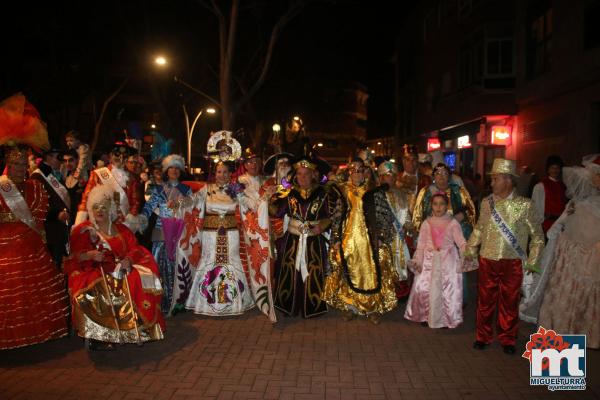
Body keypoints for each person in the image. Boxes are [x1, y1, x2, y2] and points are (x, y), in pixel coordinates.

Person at [0, 93, 69, 349]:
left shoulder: (34, 187)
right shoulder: (2, 186)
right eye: (14, 165)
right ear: (8, 164)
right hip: (5, 244)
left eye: (21, 165)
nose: (19, 169)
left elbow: (40, 212)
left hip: (30, 242)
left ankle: (39, 334)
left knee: (35, 291)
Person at [64, 185, 165, 350]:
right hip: (93, 271)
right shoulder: (83, 230)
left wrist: (128, 260)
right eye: (96, 207)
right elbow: (73, 257)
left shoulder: (122, 229)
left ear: (111, 208)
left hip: (120, 269)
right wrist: (90, 255)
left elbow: (136, 249)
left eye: (104, 207)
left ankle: (137, 330)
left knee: (139, 278)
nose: (100, 211)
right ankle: (100, 336)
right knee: (101, 287)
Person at [466, 158, 544, 355]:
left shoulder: (525, 205)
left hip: (513, 263)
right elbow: (479, 228)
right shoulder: (486, 202)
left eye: (495, 179)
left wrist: (533, 262)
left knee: (509, 303)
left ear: (508, 180)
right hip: (487, 258)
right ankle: (482, 336)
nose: (491, 184)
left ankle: (508, 338)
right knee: (485, 302)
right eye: (492, 180)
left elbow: (537, 237)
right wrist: (469, 249)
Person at [532, 155, 600, 348]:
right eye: (594, 175)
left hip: (591, 262)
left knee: (584, 302)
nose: (595, 179)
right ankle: (559, 352)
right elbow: (556, 228)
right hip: (570, 262)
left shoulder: (589, 204)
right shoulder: (574, 205)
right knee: (566, 301)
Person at [323, 158, 399, 324]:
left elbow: (385, 216)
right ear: (350, 173)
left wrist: (380, 236)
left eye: (360, 170)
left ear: (366, 172)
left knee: (372, 272)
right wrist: (336, 238)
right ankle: (352, 307)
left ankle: (373, 308)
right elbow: (336, 217)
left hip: (369, 241)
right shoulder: (343, 191)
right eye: (354, 171)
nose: (357, 174)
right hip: (349, 240)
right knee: (349, 271)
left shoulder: (374, 191)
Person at [270, 152, 342, 318]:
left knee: (313, 271)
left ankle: (312, 306)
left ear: (313, 175)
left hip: (313, 242)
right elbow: (276, 212)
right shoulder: (289, 194)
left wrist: (322, 226)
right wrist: (268, 198)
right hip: (292, 241)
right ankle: (289, 305)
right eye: (300, 174)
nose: (302, 177)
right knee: (290, 271)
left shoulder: (323, 194)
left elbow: (334, 215)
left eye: (306, 174)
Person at [184, 161, 256, 316]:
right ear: (214, 173)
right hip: (210, 233)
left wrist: (264, 199)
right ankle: (207, 302)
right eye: (219, 172)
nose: (221, 175)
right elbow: (193, 200)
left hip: (230, 233)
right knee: (209, 260)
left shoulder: (235, 189)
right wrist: (179, 202)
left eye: (225, 172)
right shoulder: (207, 189)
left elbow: (250, 204)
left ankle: (233, 302)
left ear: (230, 174)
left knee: (231, 261)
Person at [405, 192, 468, 328]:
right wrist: (418, 261)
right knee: (426, 288)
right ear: (431, 206)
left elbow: (461, 242)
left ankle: (446, 318)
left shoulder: (452, 223)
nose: (438, 207)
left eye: (442, 204)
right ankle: (426, 315)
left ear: (446, 206)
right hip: (429, 261)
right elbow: (421, 245)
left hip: (448, 261)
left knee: (446, 289)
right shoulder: (426, 223)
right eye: (435, 204)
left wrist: (467, 256)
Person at [141, 154, 192, 314]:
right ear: (166, 170)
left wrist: (181, 204)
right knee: (159, 267)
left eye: (177, 168)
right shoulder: (158, 189)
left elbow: (193, 208)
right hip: (161, 234)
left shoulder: (186, 189)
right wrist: (139, 220)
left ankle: (178, 302)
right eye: (171, 168)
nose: (174, 171)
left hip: (180, 233)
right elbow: (148, 208)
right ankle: (160, 303)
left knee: (179, 268)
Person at [75, 142, 144, 233]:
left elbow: (135, 202)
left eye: (125, 155)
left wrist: (130, 220)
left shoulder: (132, 178)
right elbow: (86, 199)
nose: (121, 157)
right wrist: (79, 222)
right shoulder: (98, 174)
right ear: (110, 156)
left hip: (123, 224)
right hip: (101, 222)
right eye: (117, 154)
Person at [31, 148, 71, 268]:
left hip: (61, 229)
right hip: (50, 230)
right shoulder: (37, 176)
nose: (61, 161)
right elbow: (36, 205)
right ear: (49, 157)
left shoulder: (54, 174)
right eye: (58, 157)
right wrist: (56, 214)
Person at [531, 155, 567, 238]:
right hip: (547, 225)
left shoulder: (563, 186)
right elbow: (536, 207)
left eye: (557, 168)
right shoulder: (541, 186)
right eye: (552, 168)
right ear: (548, 169)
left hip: (562, 224)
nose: (555, 170)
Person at [63, 149, 86, 225]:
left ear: (77, 160)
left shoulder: (85, 176)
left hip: (80, 219)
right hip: (68, 219)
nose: (67, 163)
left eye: (70, 160)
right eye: (65, 161)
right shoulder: (64, 177)